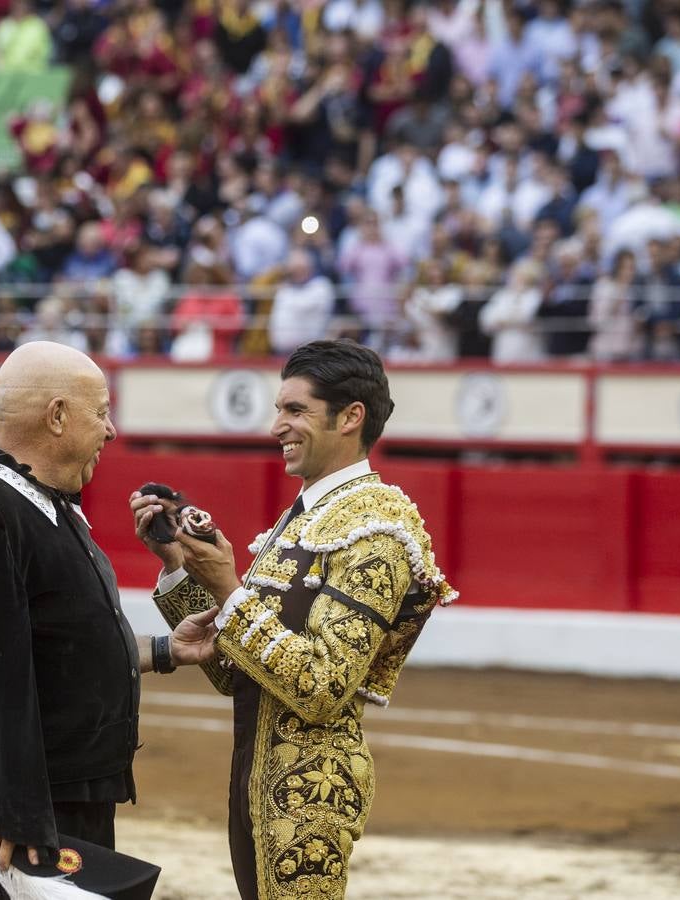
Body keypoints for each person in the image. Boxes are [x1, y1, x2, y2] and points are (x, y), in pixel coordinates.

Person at [0, 341, 220, 898]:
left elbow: (48, 645)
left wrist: (163, 651)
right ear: (59, 415)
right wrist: (5, 805)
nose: (111, 430)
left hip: (56, 794)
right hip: (18, 810)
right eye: (101, 411)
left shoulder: (40, 502)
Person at [131, 339, 455, 900]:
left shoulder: (377, 528)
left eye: (295, 410)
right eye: (280, 409)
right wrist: (181, 570)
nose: (277, 425)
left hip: (311, 797)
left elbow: (324, 687)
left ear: (351, 417)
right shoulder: (304, 518)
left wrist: (231, 589)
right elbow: (238, 675)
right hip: (257, 781)